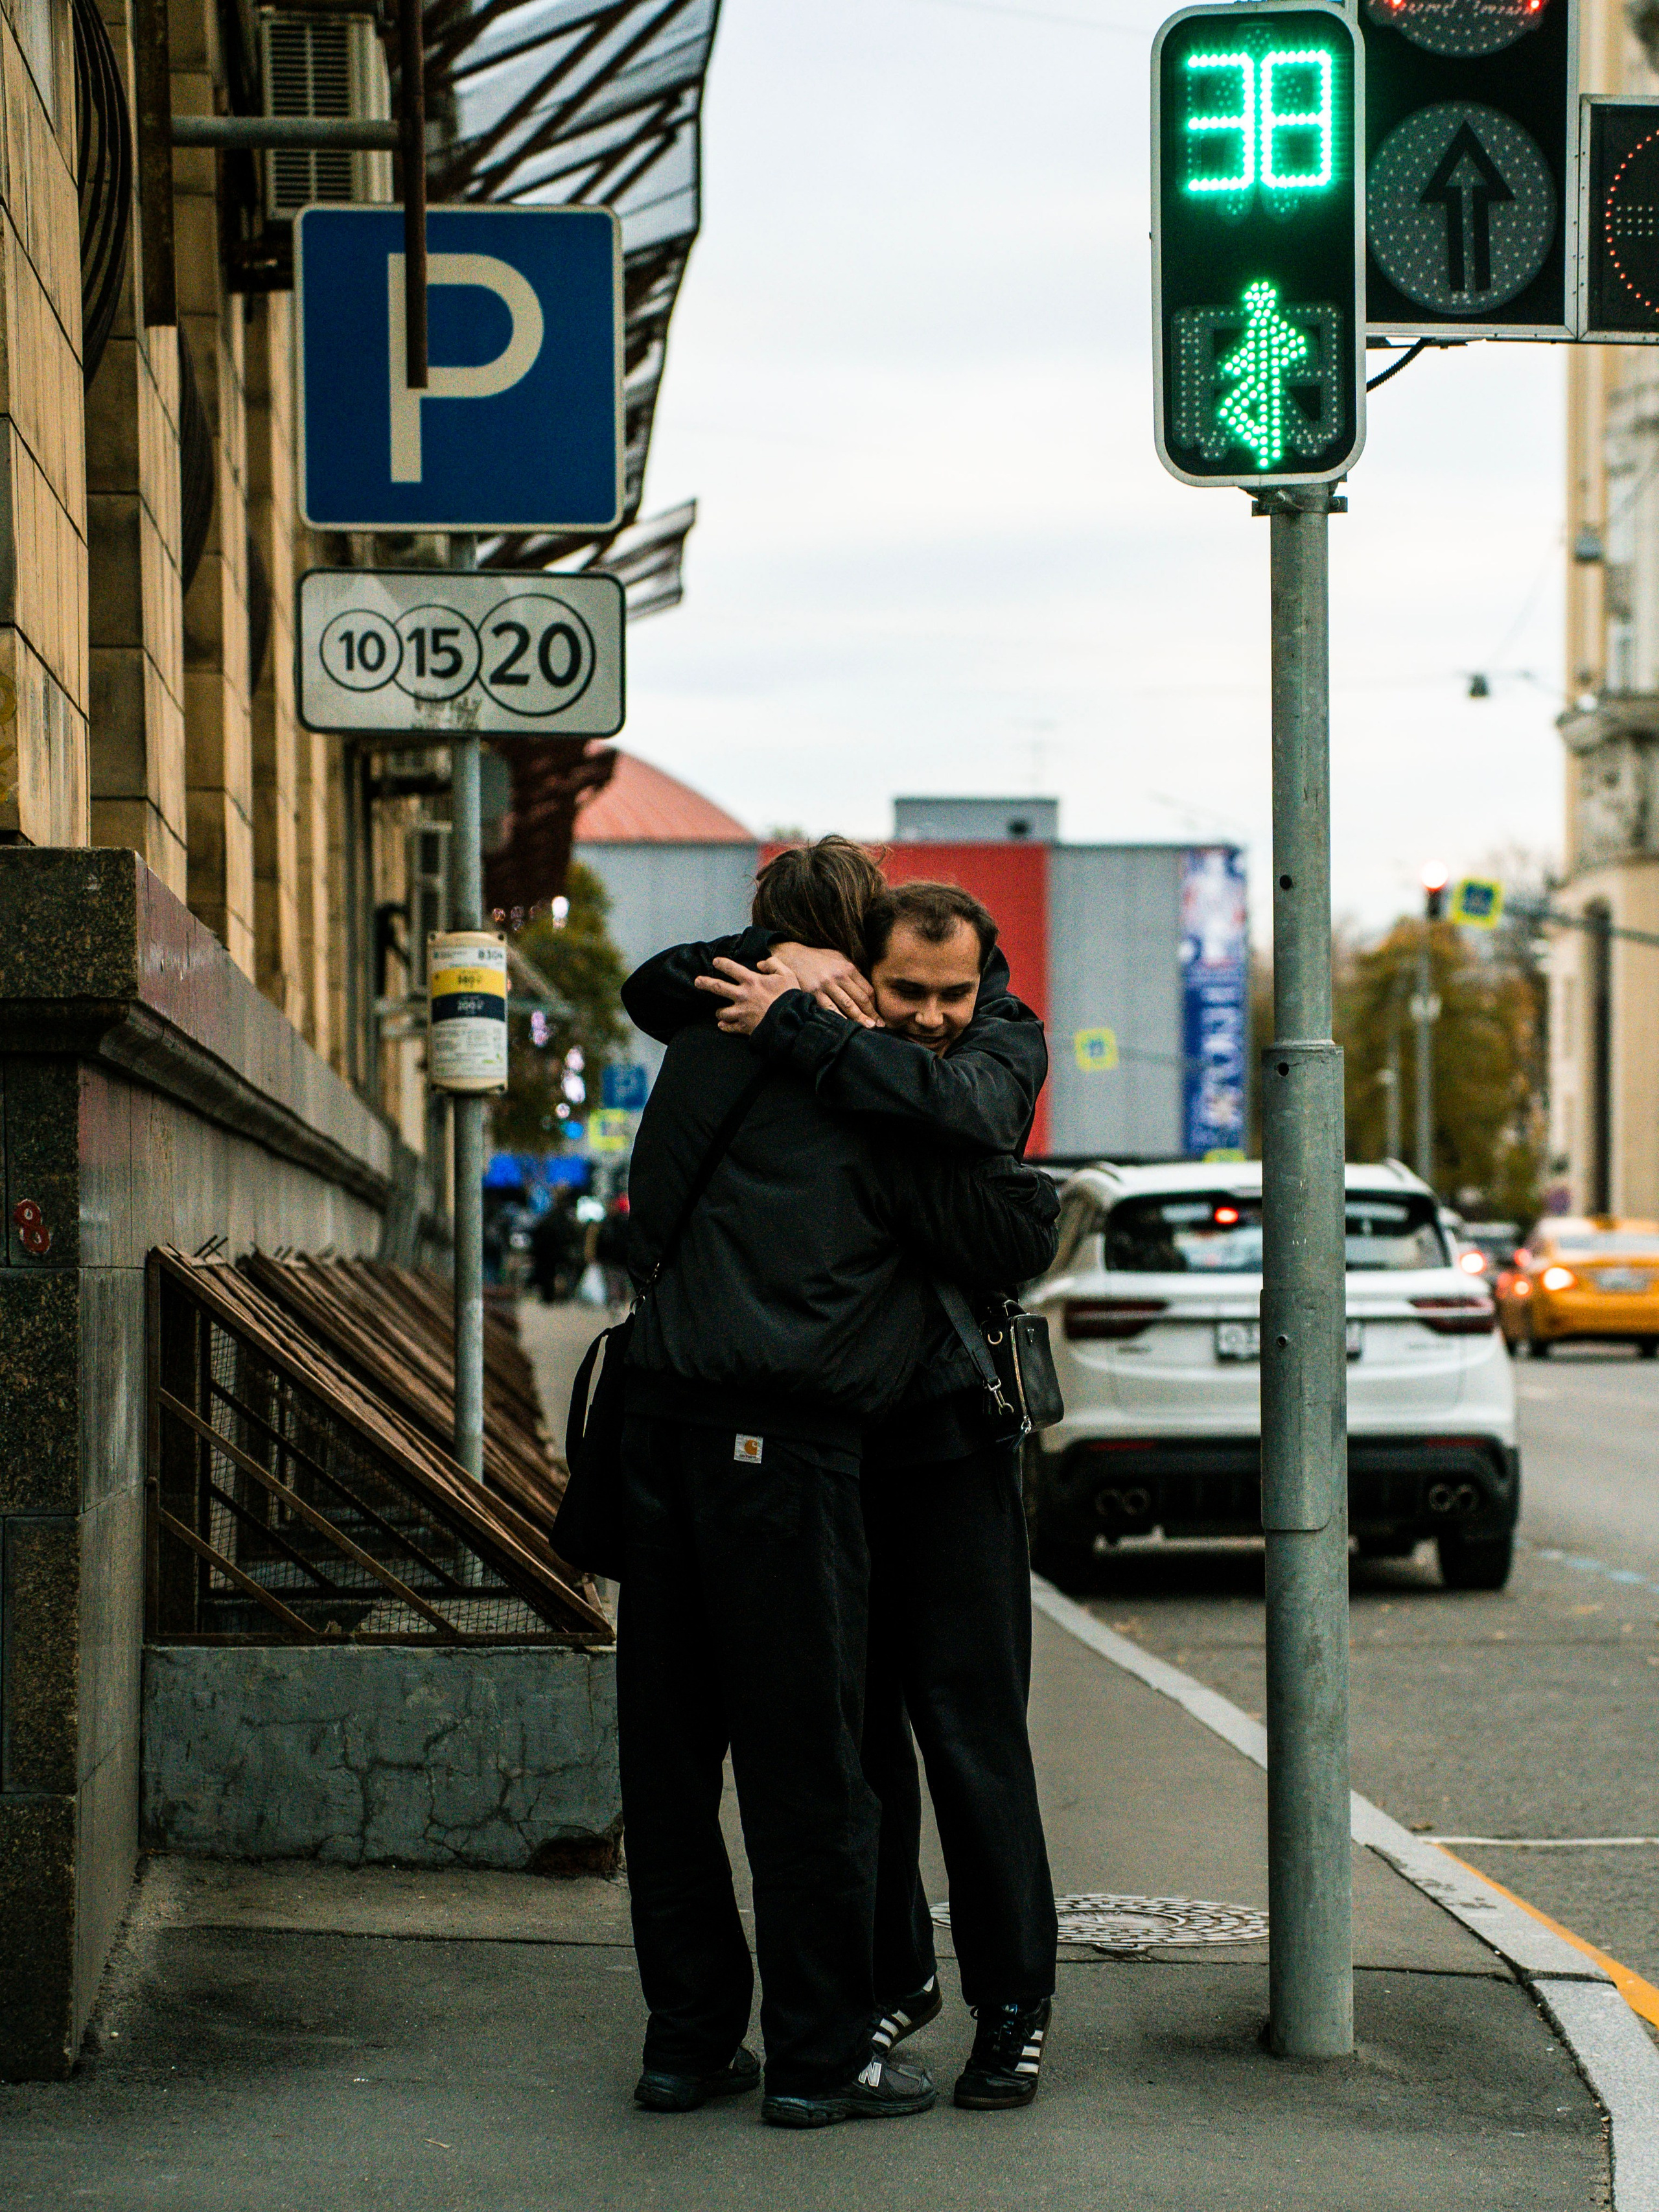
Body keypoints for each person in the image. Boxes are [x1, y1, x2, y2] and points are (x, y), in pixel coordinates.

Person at [616, 843, 1058, 2131]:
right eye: (900, 989)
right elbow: (657, 989)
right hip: (826, 1446)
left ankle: (1007, 2005)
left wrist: (813, 1030)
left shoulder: (972, 1045)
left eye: (949, 995)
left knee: (961, 1736)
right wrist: (761, 981)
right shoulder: (785, 1031)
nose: (927, 1015)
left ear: (985, 986)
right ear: (853, 968)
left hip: (935, 1441)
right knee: (835, 1747)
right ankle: (865, 2001)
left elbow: (995, 1163)